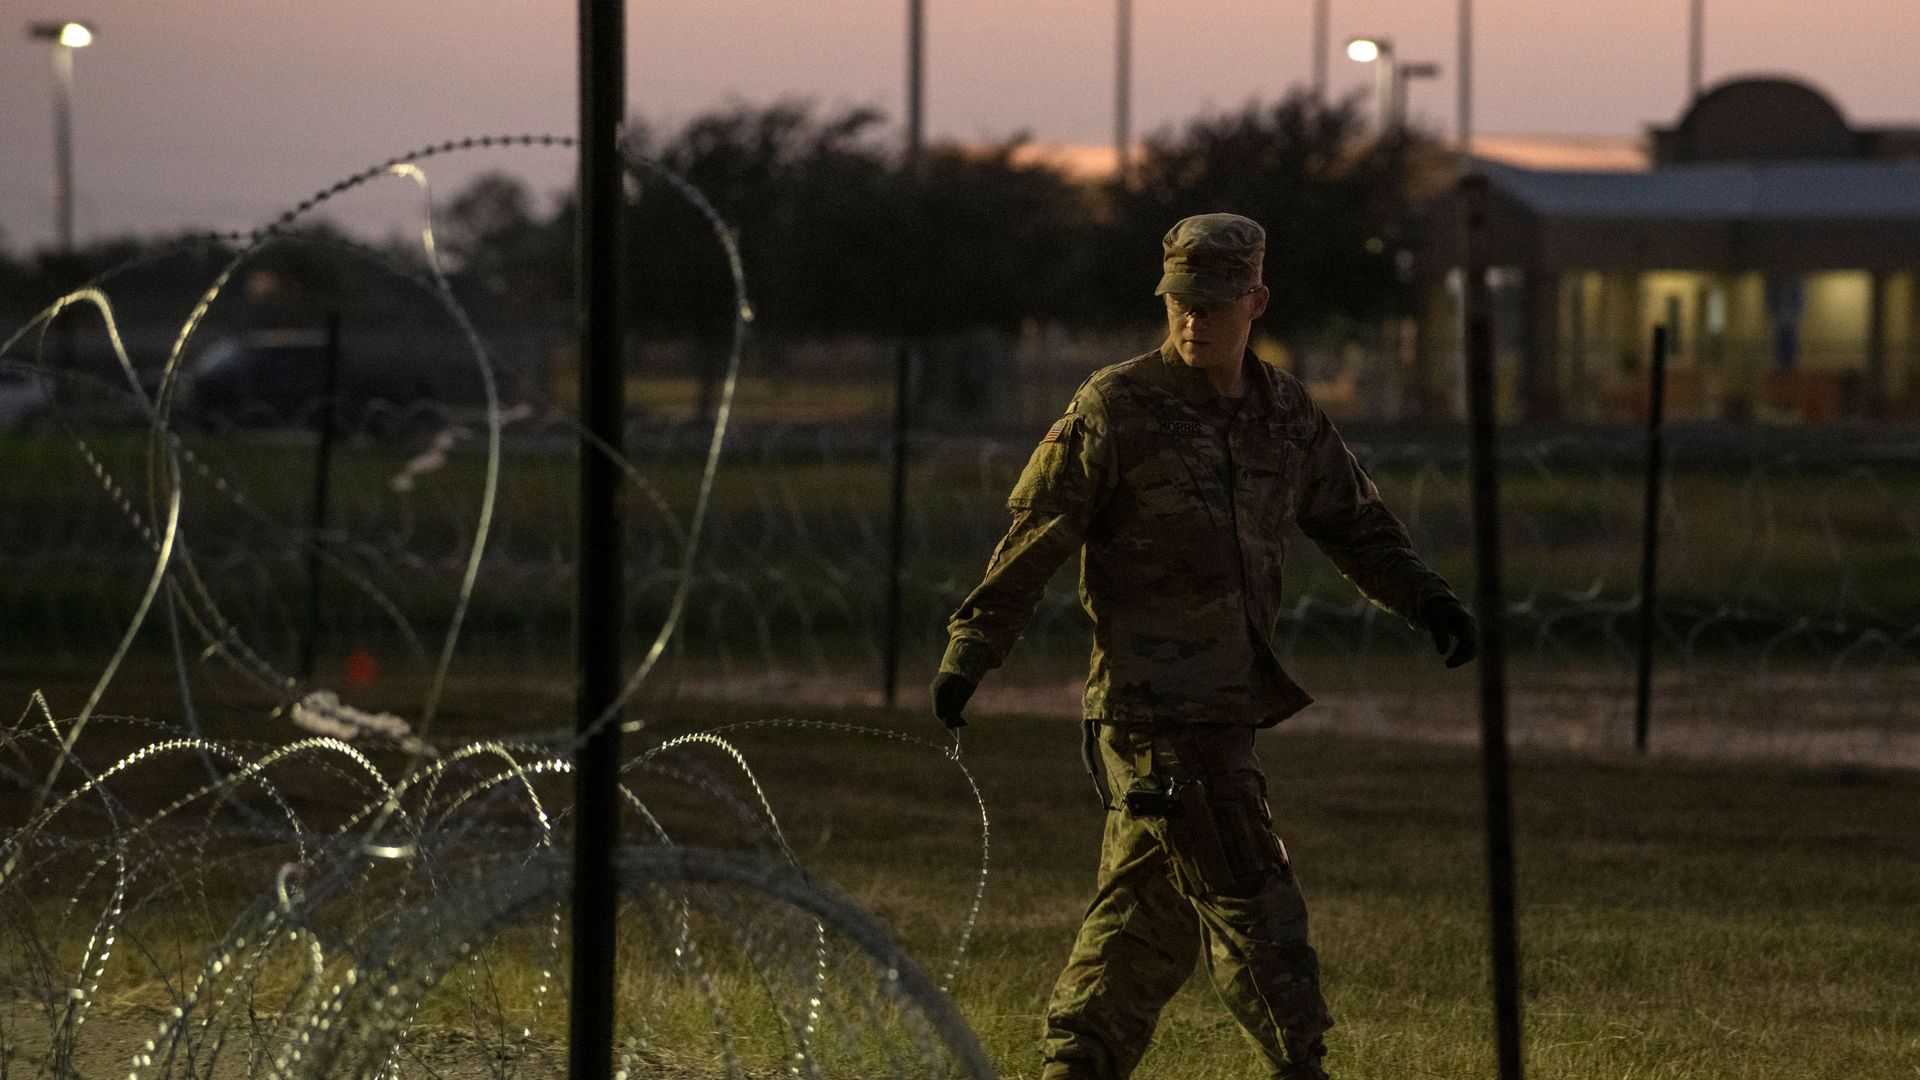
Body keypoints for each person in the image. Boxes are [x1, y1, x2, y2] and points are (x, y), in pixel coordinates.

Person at [928, 213, 1477, 1080]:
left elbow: (1355, 523)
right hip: (1150, 709)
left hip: (1227, 707)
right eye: (1181, 302)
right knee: (1254, 898)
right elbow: (1036, 535)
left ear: (1256, 301)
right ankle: (1302, 1062)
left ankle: (1079, 1063)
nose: (1194, 321)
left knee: (1152, 911)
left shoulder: (1283, 414)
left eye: (1216, 304)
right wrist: (973, 648)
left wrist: (1430, 601)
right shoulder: (1117, 407)